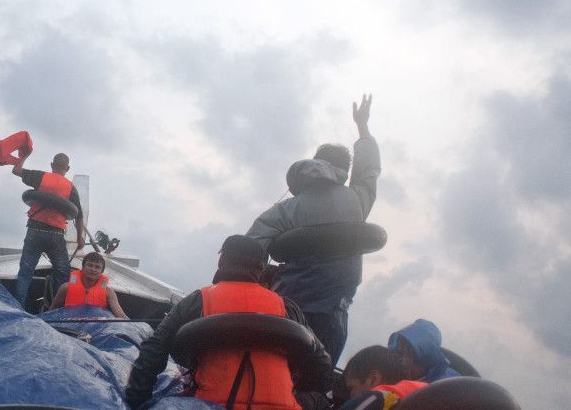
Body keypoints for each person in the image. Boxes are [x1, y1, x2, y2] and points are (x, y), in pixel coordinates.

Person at [246, 95, 379, 365]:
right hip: (332, 318)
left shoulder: (286, 209)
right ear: (344, 171)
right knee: (314, 388)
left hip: (284, 312)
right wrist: (363, 127)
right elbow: (369, 171)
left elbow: (250, 245)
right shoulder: (357, 201)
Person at [125, 235, 331, 410]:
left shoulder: (198, 300)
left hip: (211, 404)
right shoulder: (288, 307)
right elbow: (321, 364)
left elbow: (153, 351)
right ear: (260, 268)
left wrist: (135, 402)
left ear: (222, 260)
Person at [11, 150, 85, 310]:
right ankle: (57, 310)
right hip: (55, 235)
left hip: (34, 230)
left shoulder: (40, 177)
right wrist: (80, 238)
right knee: (63, 273)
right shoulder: (71, 188)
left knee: (25, 272)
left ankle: (17, 308)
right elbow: (79, 215)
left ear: (52, 165)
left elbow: (16, 170)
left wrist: (24, 155)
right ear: (68, 168)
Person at [337, 345, 428, 410]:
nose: (349, 395)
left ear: (373, 379)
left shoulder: (376, 398)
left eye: (351, 388)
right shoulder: (428, 396)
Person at [49, 252, 128, 318]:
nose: (93, 269)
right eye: (90, 265)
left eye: (97, 267)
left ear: (101, 272)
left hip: (96, 331)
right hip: (69, 328)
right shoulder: (65, 287)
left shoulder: (109, 293)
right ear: (82, 267)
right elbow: (51, 312)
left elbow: (121, 317)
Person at [387, 319, 460, 383]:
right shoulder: (391, 379)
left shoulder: (449, 383)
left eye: (412, 355)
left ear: (427, 359)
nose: (404, 361)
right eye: (400, 353)